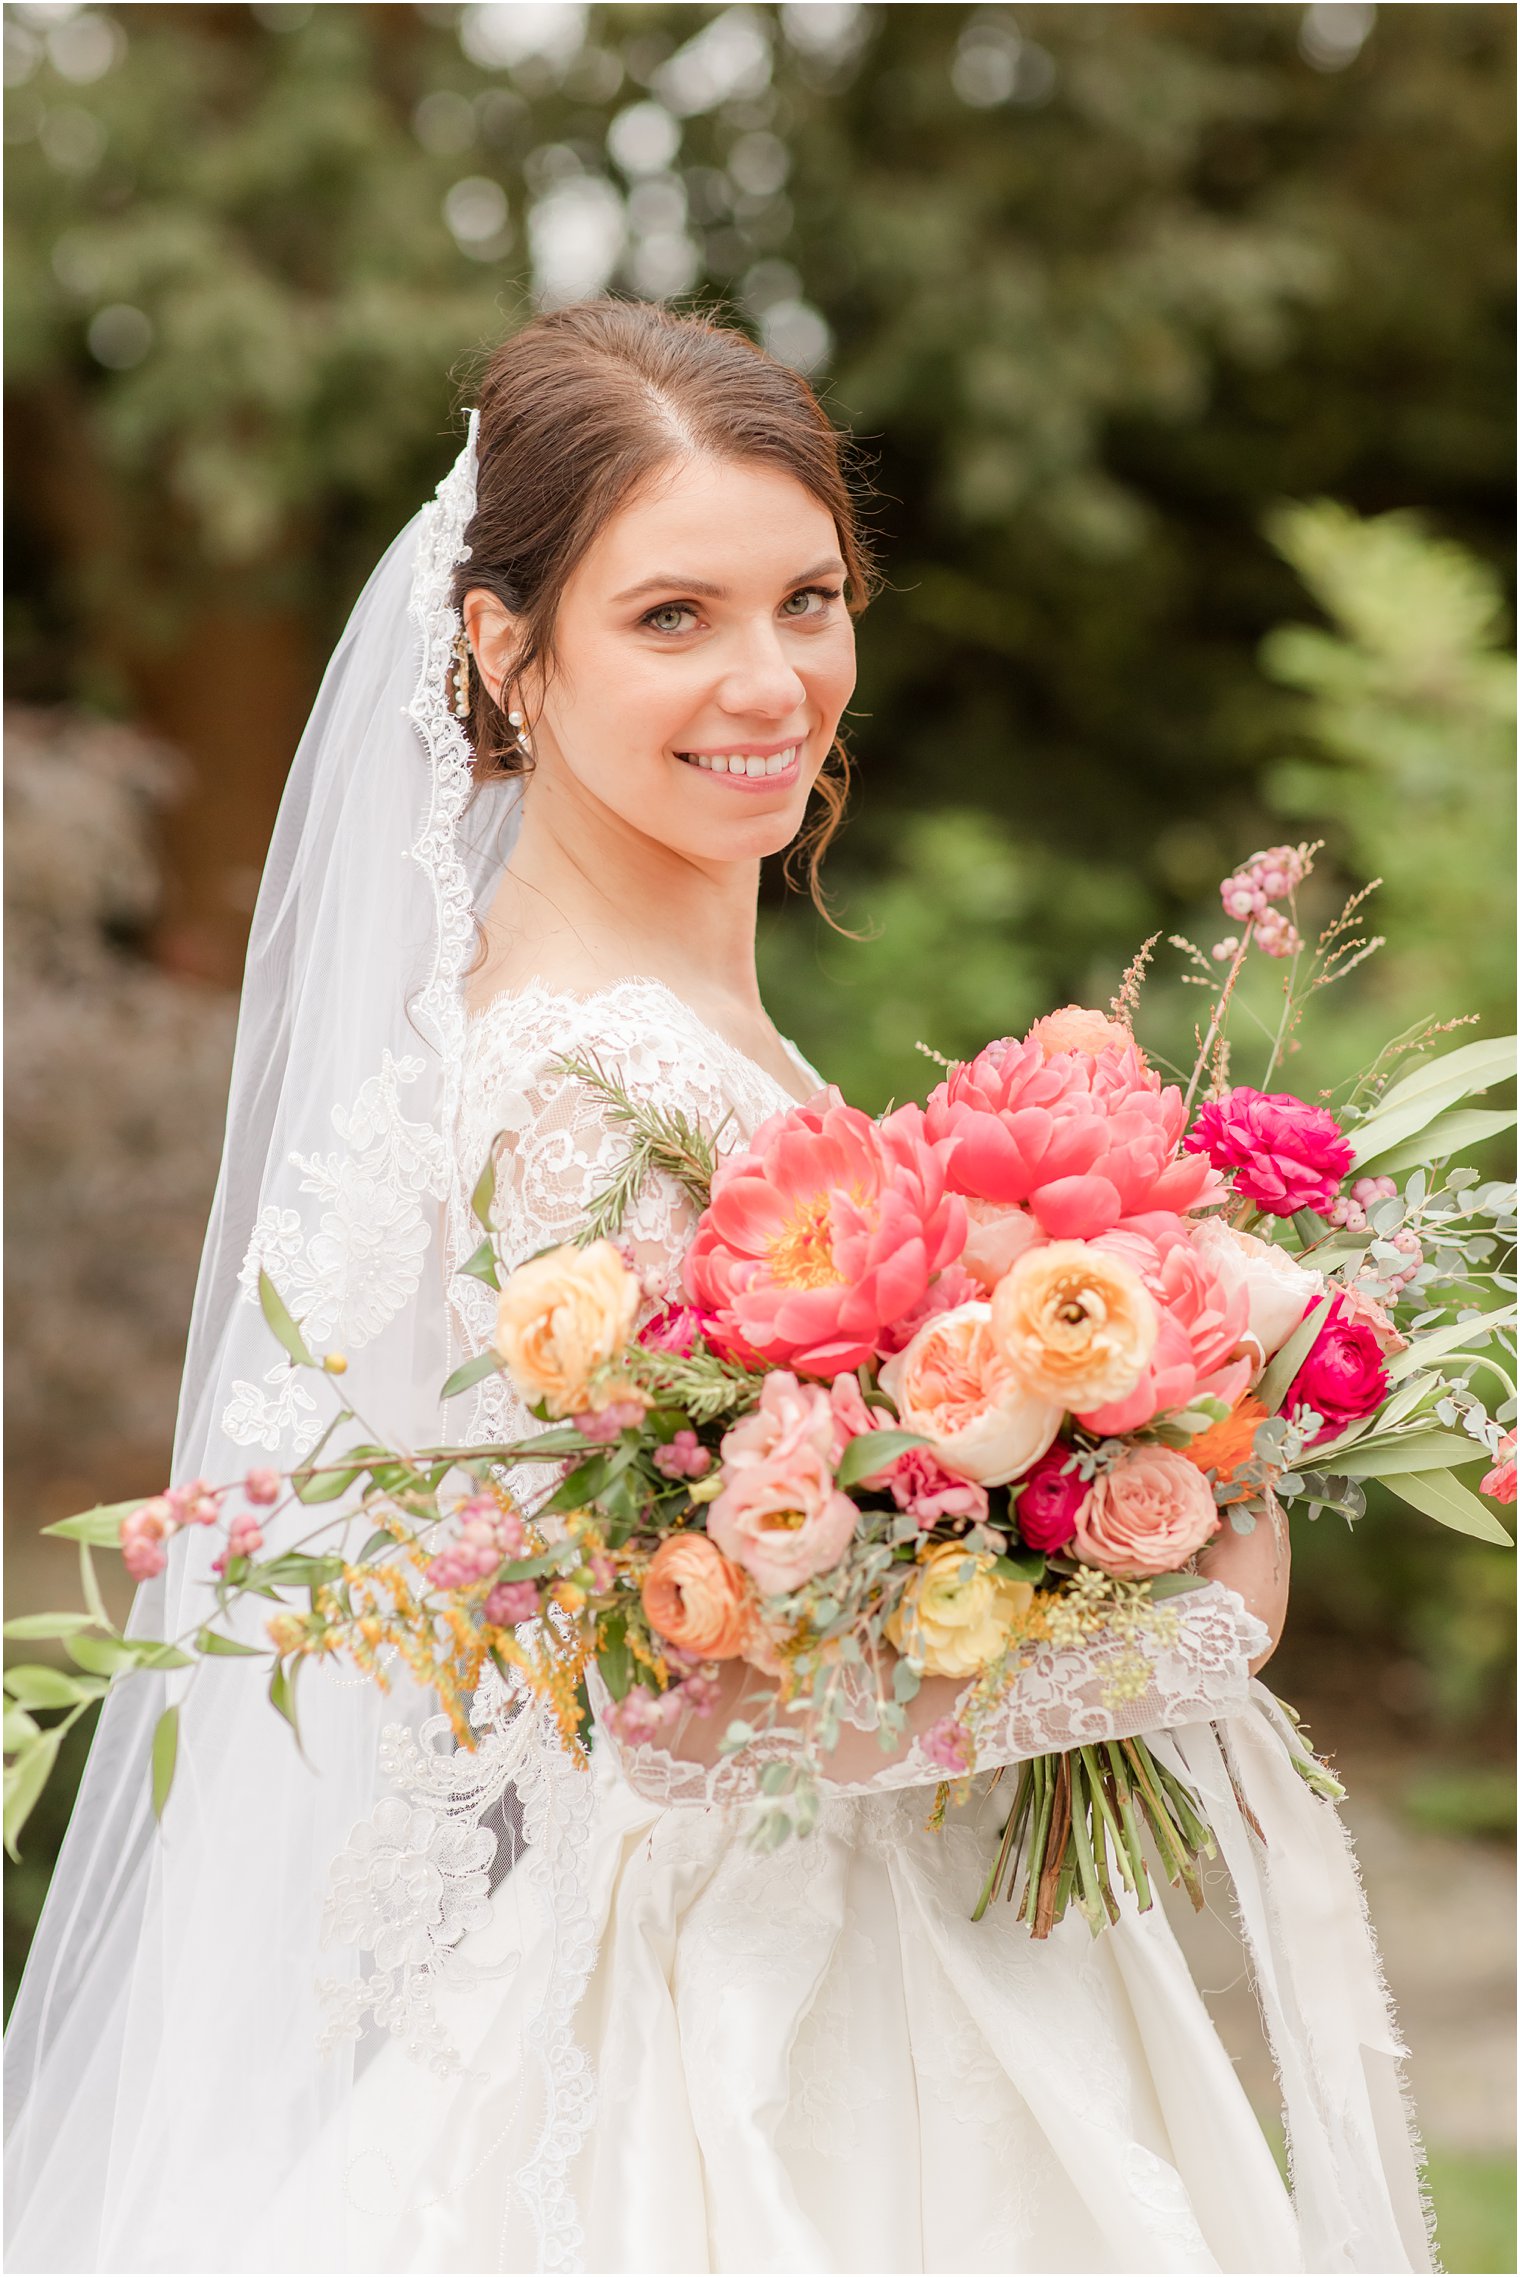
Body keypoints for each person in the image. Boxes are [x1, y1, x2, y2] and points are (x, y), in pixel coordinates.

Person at [4, 303, 1433, 2276]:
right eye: (671, 616)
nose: (770, 679)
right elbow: (677, 1710)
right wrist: (1198, 1604)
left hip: (881, 1957)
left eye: (808, 599)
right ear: (508, 649)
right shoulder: (570, 1086)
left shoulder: (681, 1030)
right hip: (730, 2046)